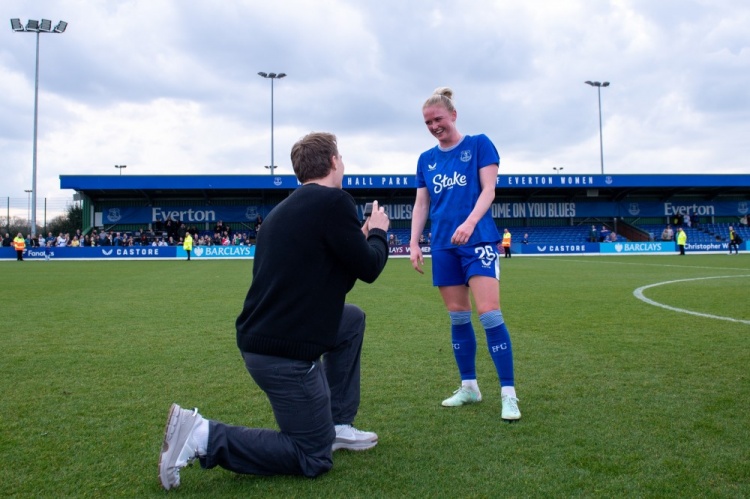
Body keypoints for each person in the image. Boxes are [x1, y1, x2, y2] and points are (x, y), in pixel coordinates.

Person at [158, 132, 390, 490]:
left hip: (266, 339)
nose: (342, 163)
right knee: (312, 456)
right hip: (284, 353)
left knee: (351, 320)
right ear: (332, 162)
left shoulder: (285, 209)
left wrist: (356, 241)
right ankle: (204, 436)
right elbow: (371, 269)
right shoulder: (334, 202)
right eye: (340, 157)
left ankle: (337, 425)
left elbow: (329, 284)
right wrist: (378, 232)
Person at [408, 87, 521, 422]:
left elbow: (489, 189)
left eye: (438, 119)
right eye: (428, 122)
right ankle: (469, 387)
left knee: (489, 314)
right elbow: (422, 203)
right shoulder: (425, 159)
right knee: (458, 317)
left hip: (479, 240)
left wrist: (471, 223)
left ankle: (509, 394)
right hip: (443, 244)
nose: (433, 126)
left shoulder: (479, 144)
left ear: (453, 115)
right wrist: (414, 243)